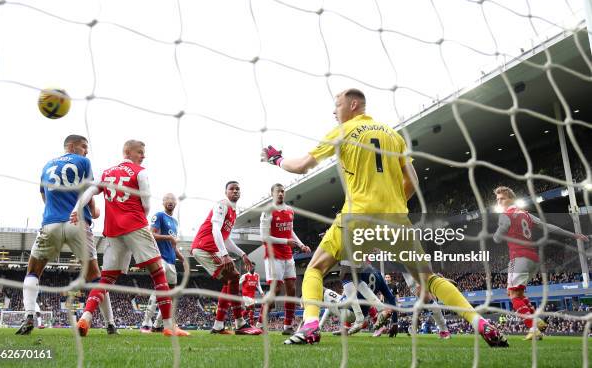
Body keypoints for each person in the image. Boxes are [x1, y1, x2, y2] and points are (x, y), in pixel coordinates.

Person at [262, 88, 507, 347]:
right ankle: (481, 323)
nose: (334, 111)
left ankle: (311, 326)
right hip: (395, 219)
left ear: (354, 104)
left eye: (337, 105)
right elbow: (411, 179)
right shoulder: (393, 135)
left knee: (315, 268)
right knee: (430, 279)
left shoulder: (343, 131)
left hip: (356, 217)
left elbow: (301, 165)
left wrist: (276, 159)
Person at [71, 139, 188, 337]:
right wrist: (140, 215)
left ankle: (86, 317)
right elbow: (146, 202)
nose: (143, 156)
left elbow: (90, 190)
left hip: (113, 230)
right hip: (135, 224)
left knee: (106, 278)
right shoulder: (139, 171)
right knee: (158, 272)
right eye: (140, 152)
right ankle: (169, 325)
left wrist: (76, 209)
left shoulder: (107, 172)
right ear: (128, 151)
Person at [16, 135, 117, 336]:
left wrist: (56, 210)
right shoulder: (83, 162)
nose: (86, 151)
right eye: (83, 146)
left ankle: (28, 315)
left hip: (51, 223)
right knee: (95, 277)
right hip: (77, 222)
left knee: (33, 271)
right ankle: (111, 325)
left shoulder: (47, 165)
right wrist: (95, 211)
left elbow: (44, 196)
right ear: (71, 146)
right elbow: (89, 192)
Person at [493, 186, 589, 340]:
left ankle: (533, 327)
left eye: (502, 198)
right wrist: (574, 235)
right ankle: (538, 321)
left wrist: (496, 236)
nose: (499, 201)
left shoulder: (506, 215)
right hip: (533, 259)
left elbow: (499, 236)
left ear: (511, 198)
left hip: (518, 258)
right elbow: (548, 227)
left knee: (512, 295)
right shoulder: (526, 214)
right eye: (497, 199)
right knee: (519, 293)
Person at [191, 181, 262, 335]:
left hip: (210, 247)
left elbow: (226, 238)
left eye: (237, 189)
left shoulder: (233, 212)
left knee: (228, 282)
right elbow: (215, 228)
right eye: (232, 189)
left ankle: (218, 326)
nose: (235, 191)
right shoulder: (222, 205)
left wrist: (242, 253)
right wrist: (224, 254)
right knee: (235, 275)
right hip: (205, 247)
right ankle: (240, 324)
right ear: (226, 192)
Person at [256, 183, 311, 335]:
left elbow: (290, 230)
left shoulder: (289, 210)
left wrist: (301, 245)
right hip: (273, 254)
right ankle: (260, 323)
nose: (280, 194)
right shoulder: (268, 211)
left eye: (282, 191)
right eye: (277, 192)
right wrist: (285, 241)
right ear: (272, 193)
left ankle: (288, 326)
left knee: (292, 289)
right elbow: (264, 237)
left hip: (287, 254)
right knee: (276, 290)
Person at [141, 193, 186, 333]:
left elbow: (172, 244)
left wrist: (182, 258)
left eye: (173, 199)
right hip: (160, 258)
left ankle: (158, 324)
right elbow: (150, 234)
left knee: (170, 294)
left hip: (171, 261)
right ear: (163, 202)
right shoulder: (159, 215)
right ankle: (146, 323)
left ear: (176, 203)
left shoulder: (175, 222)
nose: (170, 201)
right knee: (159, 291)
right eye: (167, 199)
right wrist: (169, 237)